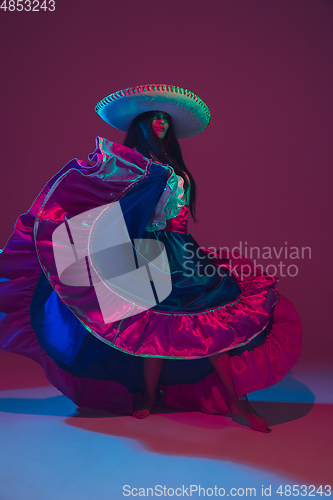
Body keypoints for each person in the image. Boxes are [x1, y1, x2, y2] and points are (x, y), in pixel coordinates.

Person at [0, 84, 302, 433]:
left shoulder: (175, 167)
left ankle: (237, 400)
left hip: (182, 248)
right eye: (154, 118)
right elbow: (117, 205)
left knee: (210, 320)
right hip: (149, 249)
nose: (161, 123)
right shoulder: (134, 166)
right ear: (141, 124)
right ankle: (146, 395)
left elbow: (180, 211)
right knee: (154, 325)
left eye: (165, 119)